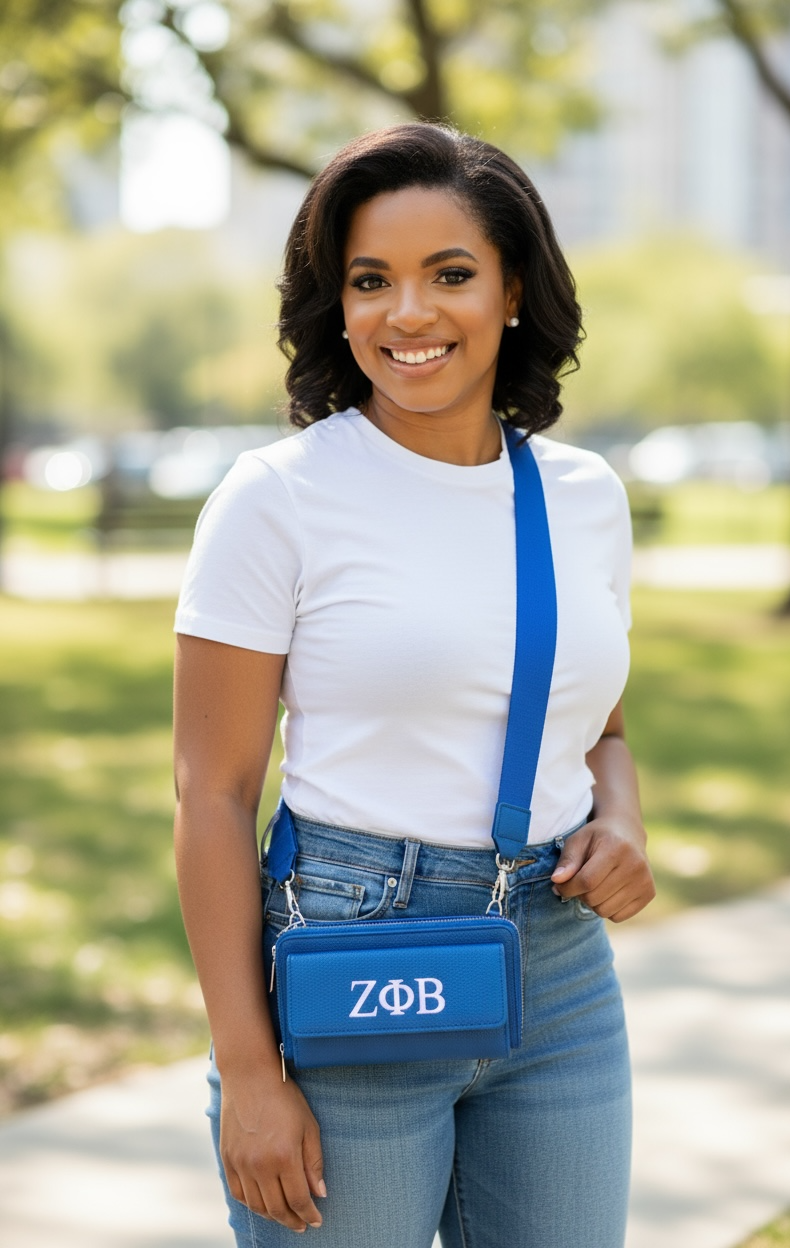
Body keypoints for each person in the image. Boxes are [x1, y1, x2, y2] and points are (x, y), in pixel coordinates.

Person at [173, 121, 655, 1248]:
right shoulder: (276, 498)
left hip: (559, 973)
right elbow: (209, 798)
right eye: (370, 280)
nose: (409, 315)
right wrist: (249, 1075)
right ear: (335, 306)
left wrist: (621, 817)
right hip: (354, 960)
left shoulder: (584, 497)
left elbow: (603, 727)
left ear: (513, 289)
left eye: (450, 275)